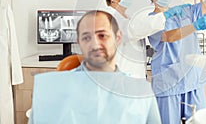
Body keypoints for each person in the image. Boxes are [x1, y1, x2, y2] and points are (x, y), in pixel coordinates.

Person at [29, 10, 161, 124]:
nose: (95, 44)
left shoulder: (139, 92)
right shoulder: (52, 90)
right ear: (78, 42)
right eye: (86, 37)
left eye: (102, 35)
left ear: (118, 38)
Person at [144, 0, 206, 124]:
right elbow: (169, 36)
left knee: (200, 121)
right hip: (168, 83)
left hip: (192, 80)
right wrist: (195, 26)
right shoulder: (151, 21)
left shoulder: (183, 11)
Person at [101, 0, 196, 78]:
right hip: (121, 77)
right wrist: (167, 15)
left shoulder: (127, 17)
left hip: (134, 76)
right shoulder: (109, 19)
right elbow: (134, 30)